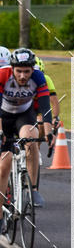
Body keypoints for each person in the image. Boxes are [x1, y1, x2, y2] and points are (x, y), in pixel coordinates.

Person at [0, 48, 53, 214]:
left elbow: (45, 107)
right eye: (19, 71)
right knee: (4, 165)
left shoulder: (38, 77)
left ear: (32, 70)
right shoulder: (2, 75)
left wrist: (49, 132)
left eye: (27, 71)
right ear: (12, 69)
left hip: (24, 115)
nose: (23, 76)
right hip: (3, 116)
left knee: (31, 139)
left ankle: (33, 190)